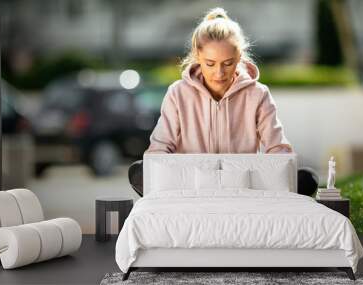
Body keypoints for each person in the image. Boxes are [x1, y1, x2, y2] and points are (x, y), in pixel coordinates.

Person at [128, 7, 318, 197]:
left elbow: (278, 149)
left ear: (240, 57)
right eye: (210, 63)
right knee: (140, 170)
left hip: (243, 185)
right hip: (192, 187)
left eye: (228, 63)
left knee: (305, 178)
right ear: (197, 56)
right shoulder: (178, 93)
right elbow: (160, 149)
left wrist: (282, 171)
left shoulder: (258, 94)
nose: (219, 73)